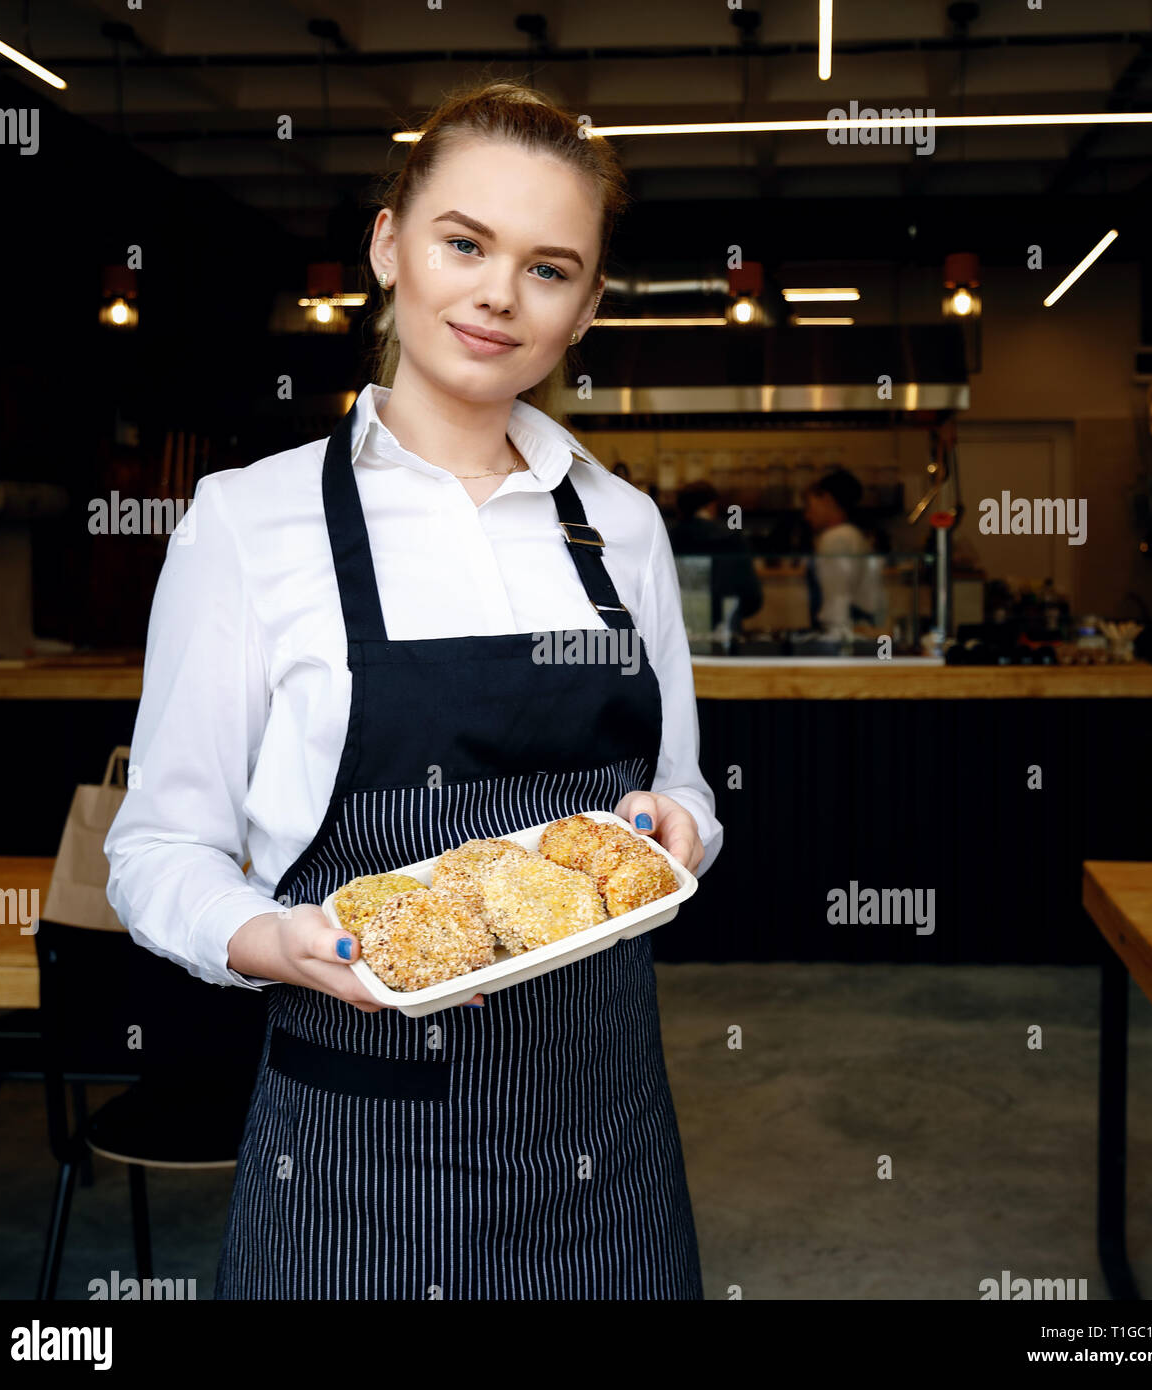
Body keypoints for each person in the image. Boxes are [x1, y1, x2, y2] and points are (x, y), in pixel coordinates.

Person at [103, 78, 723, 1301]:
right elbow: (158, 848)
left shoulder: (623, 527)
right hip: (354, 1150)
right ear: (390, 247)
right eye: (464, 243)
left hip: (608, 1139)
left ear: (586, 308)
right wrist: (271, 940)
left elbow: (682, 784)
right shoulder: (250, 522)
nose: (498, 293)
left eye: (550, 268)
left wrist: (681, 832)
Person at [668, 481, 763, 636]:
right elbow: (752, 597)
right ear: (712, 506)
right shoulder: (733, 538)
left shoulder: (670, 538)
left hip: (683, 633)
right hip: (726, 631)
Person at [802, 468, 887, 635]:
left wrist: (833, 637)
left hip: (843, 632)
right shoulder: (853, 534)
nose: (807, 515)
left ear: (826, 499)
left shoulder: (836, 538)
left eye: (810, 506)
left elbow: (837, 596)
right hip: (859, 627)